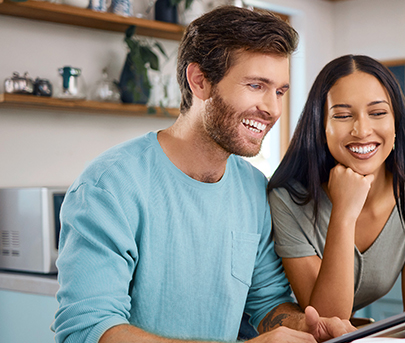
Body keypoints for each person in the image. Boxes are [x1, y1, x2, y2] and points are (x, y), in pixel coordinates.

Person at [52, 6, 354, 343]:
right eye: (256, 85)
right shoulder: (110, 186)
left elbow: (269, 304)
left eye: (280, 91)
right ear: (200, 81)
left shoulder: (254, 188)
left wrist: (307, 326)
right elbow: (88, 331)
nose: (273, 109)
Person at [267, 55, 405, 337]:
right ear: (321, 126)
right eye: (342, 115)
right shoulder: (288, 199)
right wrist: (344, 213)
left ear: (396, 121)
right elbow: (327, 322)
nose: (362, 130)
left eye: (377, 113)